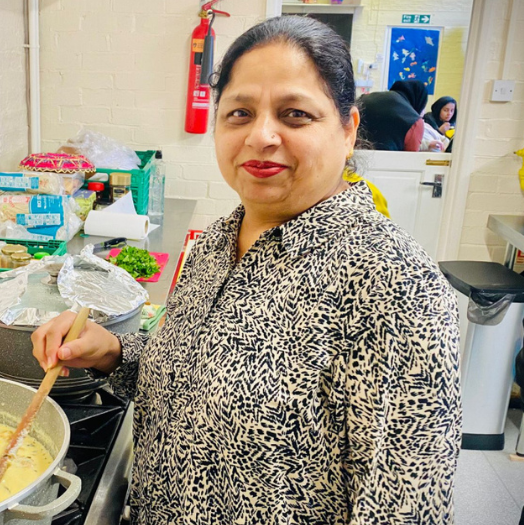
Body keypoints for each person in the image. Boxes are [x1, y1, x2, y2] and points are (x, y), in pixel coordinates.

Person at [33, 16, 461, 525]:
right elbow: (188, 379)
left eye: (295, 114)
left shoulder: (395, 285)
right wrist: (115, 352)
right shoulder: (215, 243)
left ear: (348, 131)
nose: (261, 136)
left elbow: (405, 509)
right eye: (239, 113)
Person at [358, 80, 429, 151]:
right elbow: (411, 158)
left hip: (353, 155)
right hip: (387, 160)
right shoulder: (415, 122)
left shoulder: (364, 99)